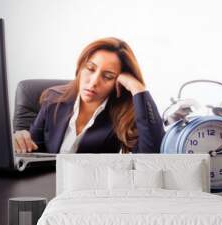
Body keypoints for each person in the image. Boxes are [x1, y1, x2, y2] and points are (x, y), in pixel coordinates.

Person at [13, 37, 164, 154]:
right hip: (48, 187)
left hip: (92, 190)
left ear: (118, 82)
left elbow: (151, 156)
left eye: (108, 76)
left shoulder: (122, 115)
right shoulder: (53, 99)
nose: (93, 82)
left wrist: (137, 88)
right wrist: (20, 140)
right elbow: (31, 152)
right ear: (80, 67)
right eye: (90, 69)